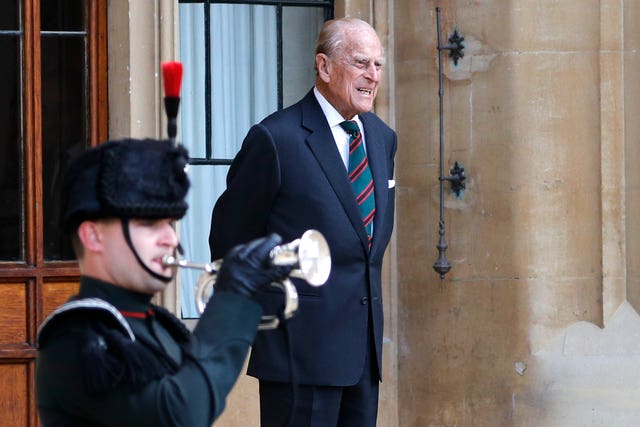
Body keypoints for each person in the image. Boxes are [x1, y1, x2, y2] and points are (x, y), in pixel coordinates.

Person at [209, 17, 397, 426]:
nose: (373, 75)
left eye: (378, 65)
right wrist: (272, 315)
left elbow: (364, 246)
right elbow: (230, 241)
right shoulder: (276, 139)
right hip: (297, 359)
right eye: (361, 62)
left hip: (363, 360)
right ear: (325, 67)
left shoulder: (382, 138)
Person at [36, 138, 290, 427]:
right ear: (93, 236)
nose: (170, 238)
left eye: (169, 223)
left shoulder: (157, 324)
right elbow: (179, 416)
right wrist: (234, 298)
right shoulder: (76, 336)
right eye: (149, 224)